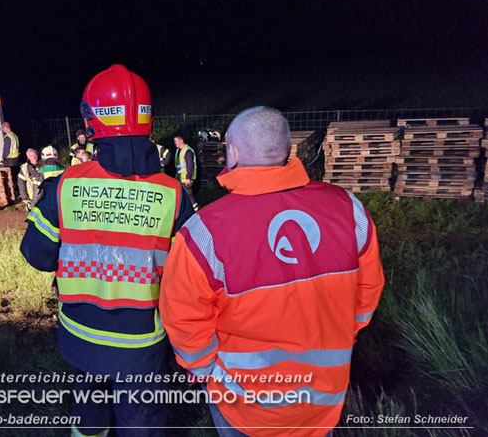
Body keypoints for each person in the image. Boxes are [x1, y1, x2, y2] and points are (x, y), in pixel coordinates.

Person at [160, 107, 385, 437]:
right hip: (323, 396)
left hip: (243, 405)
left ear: (233, 153)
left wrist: (203, 368)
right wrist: (342, 333)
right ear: (287, 149)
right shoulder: (348, 209)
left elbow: (183, 317)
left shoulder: (203, 232)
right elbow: (368, 292)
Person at [20, 64, 194, 436]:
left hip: (80, 336)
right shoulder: (174, 194)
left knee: (90, 414)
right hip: (141, 345)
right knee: (141, 423)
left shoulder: (66, 184)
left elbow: (37, 255)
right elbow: (186, 279)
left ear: (93, 119)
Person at [173, 135, 198, 211]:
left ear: (181, 141)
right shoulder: (178, 151)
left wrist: (188, 178)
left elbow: (190, 165)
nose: (175, 143)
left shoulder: (187, 151)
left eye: (176, 141)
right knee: (184, 195)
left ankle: (195, 209)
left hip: (186, 178)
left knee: (189, 195)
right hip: (181, 178)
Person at [1, 121, 20, 188]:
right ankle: (17, 187)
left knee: (10, 176)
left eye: (2, 128)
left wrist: (4, 157)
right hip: (16, 158)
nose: (2, 130)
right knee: (16, 174)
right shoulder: (14, 135)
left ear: (4, 127)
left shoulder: (7, 137)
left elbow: (6, 149)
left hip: (10, 160)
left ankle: (12, 189)